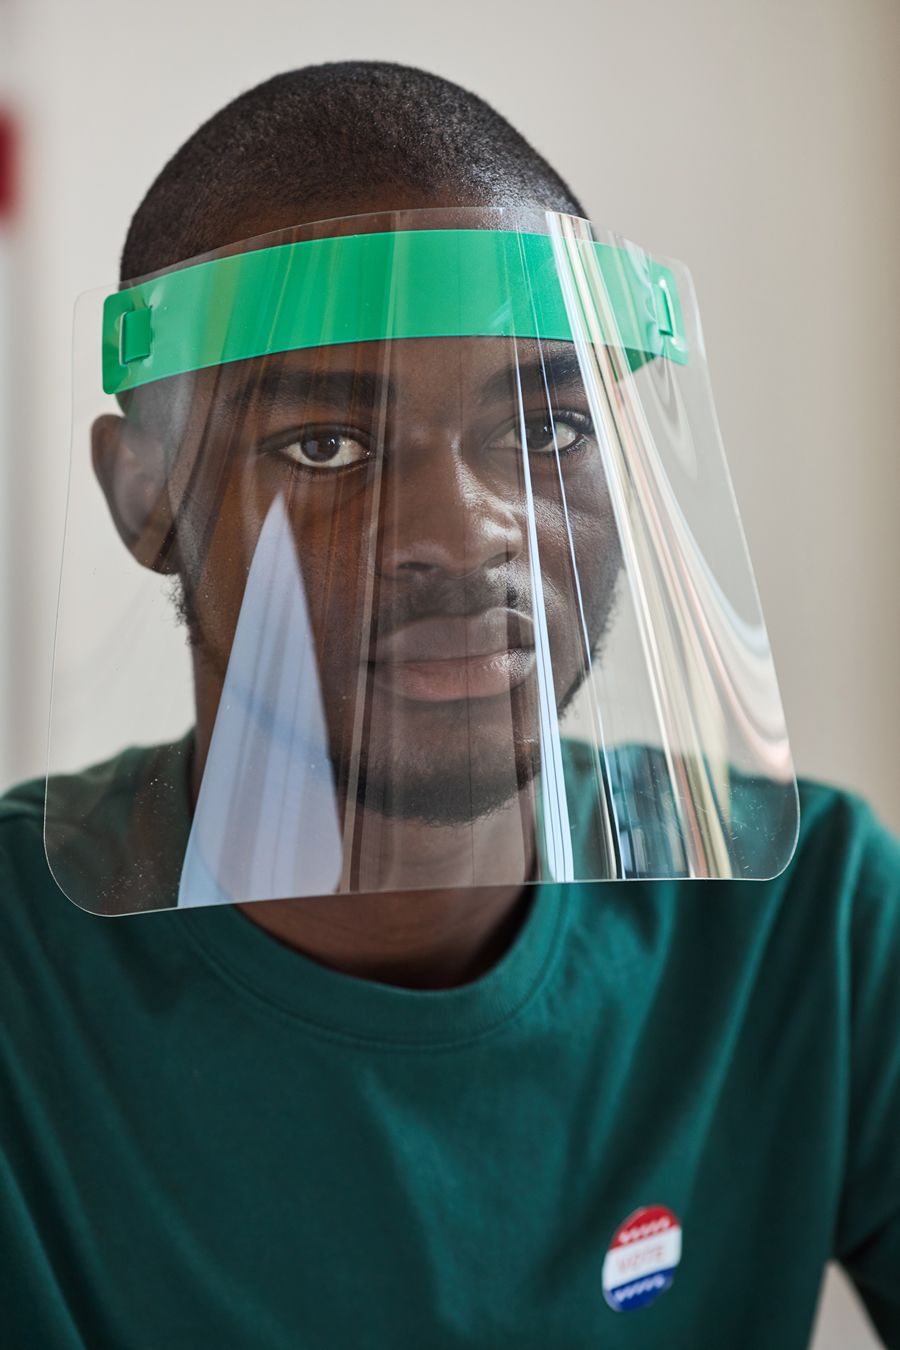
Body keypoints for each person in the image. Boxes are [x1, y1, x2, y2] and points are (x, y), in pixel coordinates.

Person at [1, 62, 898, 1350]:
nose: (468, 533)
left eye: (546, 432)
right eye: (326, 444)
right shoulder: (21, 993)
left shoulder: (806, 928)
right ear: (145, 496)